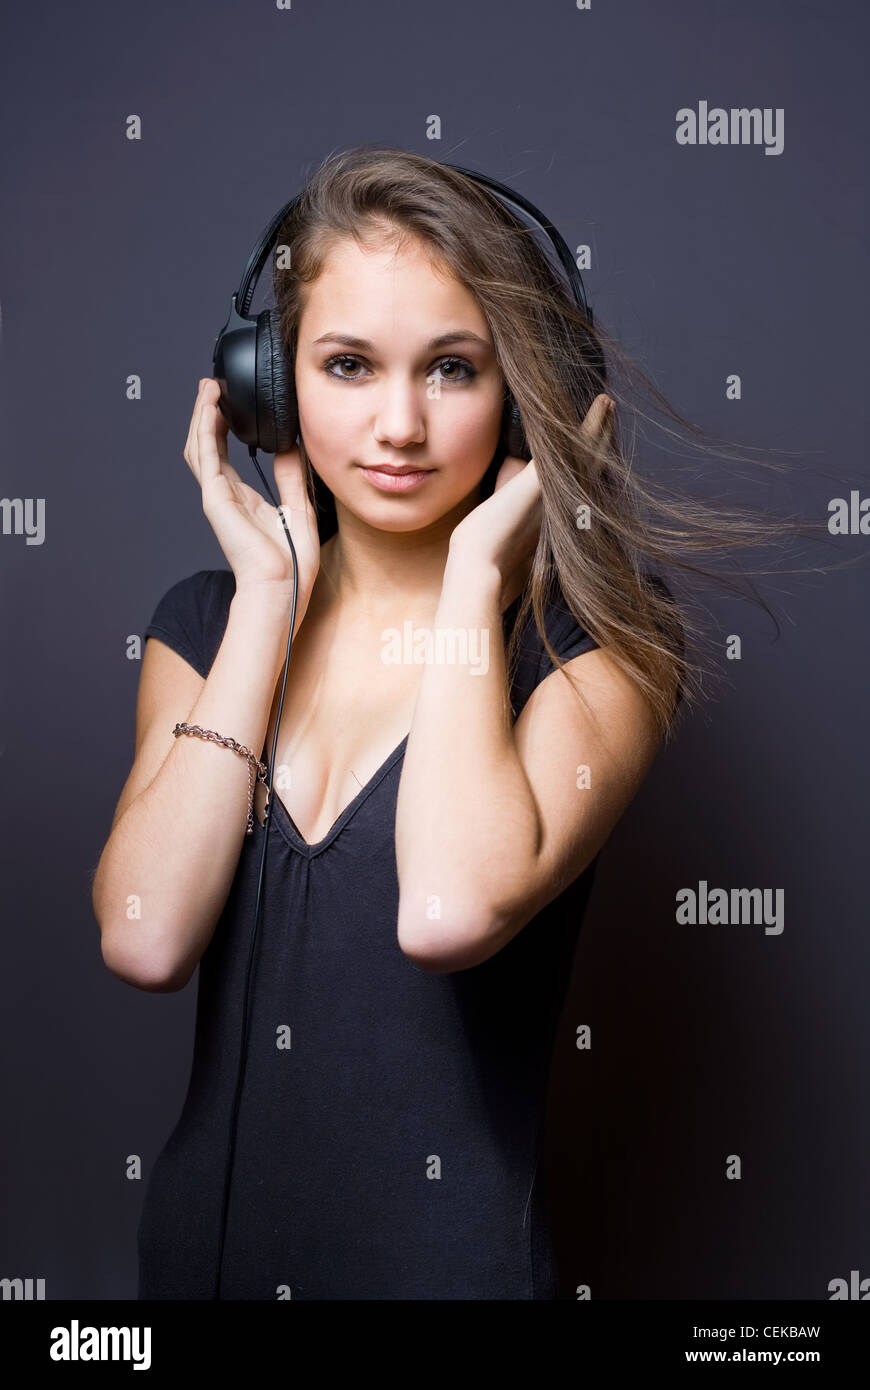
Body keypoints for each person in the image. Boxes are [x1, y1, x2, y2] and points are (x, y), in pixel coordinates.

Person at [92, 146, 690, 1300]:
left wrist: (475, 578)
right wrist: (269, 606)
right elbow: (144, 935)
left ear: (526, 387)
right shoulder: (205, 624)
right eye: (350, 365)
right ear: (268, 382)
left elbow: (450, 908)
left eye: (453, 368)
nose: (400, 424)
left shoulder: (603, 650)